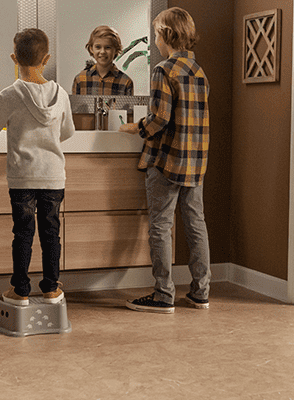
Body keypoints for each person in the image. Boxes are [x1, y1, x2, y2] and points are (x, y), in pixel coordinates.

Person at [0, 28, 75, 306]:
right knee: (51, 232)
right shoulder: (61, 94)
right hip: (53, 176)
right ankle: (51, 289)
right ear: (47, 58)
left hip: (23, 178)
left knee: (23, 234)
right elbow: (68, 132)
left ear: (14, 58)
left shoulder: (10, 95)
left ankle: (21, 290)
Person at [119, 7, 210, 314]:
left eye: (157, 33)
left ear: (167, 35)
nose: (156, 39)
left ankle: (163, 294)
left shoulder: (163, 70)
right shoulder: (199, 72)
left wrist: (136, 127)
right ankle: (201, 292)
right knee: (196, 225)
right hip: (195, 161)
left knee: (160, 226)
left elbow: (159, 119)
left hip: (168, 160)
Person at [72, 25, 134, 96]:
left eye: (108, 47)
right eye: (98, 47)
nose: (102, 52)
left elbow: (127, 107)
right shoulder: (80, 79)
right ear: (91, 49)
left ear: (116, 50)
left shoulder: (126, 82)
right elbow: (75, 107)